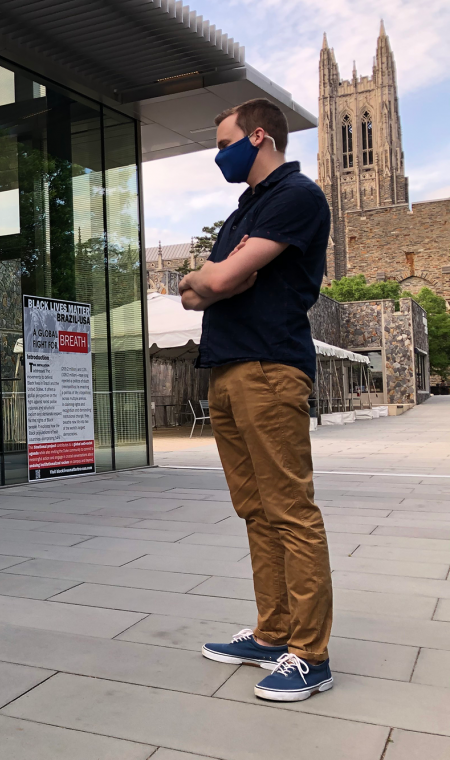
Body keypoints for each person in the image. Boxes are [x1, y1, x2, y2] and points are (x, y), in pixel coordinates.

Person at [179, 98, 333, 702]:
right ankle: (273, 633)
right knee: (255, 510)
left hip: (270, 368)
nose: (219, 155)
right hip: (226, 369)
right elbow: (203, 293)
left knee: (291, 510)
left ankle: (310, 655)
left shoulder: (296, 198)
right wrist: (216, 278)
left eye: (224, 144)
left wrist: (215, 277)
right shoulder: (246, 210)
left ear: (259, 135)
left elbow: (213, 283)